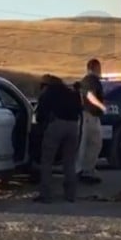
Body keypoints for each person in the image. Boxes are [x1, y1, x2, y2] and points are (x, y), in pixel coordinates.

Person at [33, 75, 83, 203]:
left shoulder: (48, 93)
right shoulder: (71, 93)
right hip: (73, 127)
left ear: (46, 85)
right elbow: (79, 110)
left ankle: (46, 194)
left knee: (47, 161)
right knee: (69, 161)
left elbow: (40, 115)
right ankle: (70, 194)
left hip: (56, 125)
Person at [77, 58, 106, 185]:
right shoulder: (91, 81)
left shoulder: (86, 80)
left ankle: (84, 170)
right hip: (89, 116)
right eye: (98, 68)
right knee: (94, 143)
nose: (100, 71)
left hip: (88, 116)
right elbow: (90, 96)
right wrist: (101, 107)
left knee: (88, 144)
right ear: (94, 68)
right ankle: (86, 171)